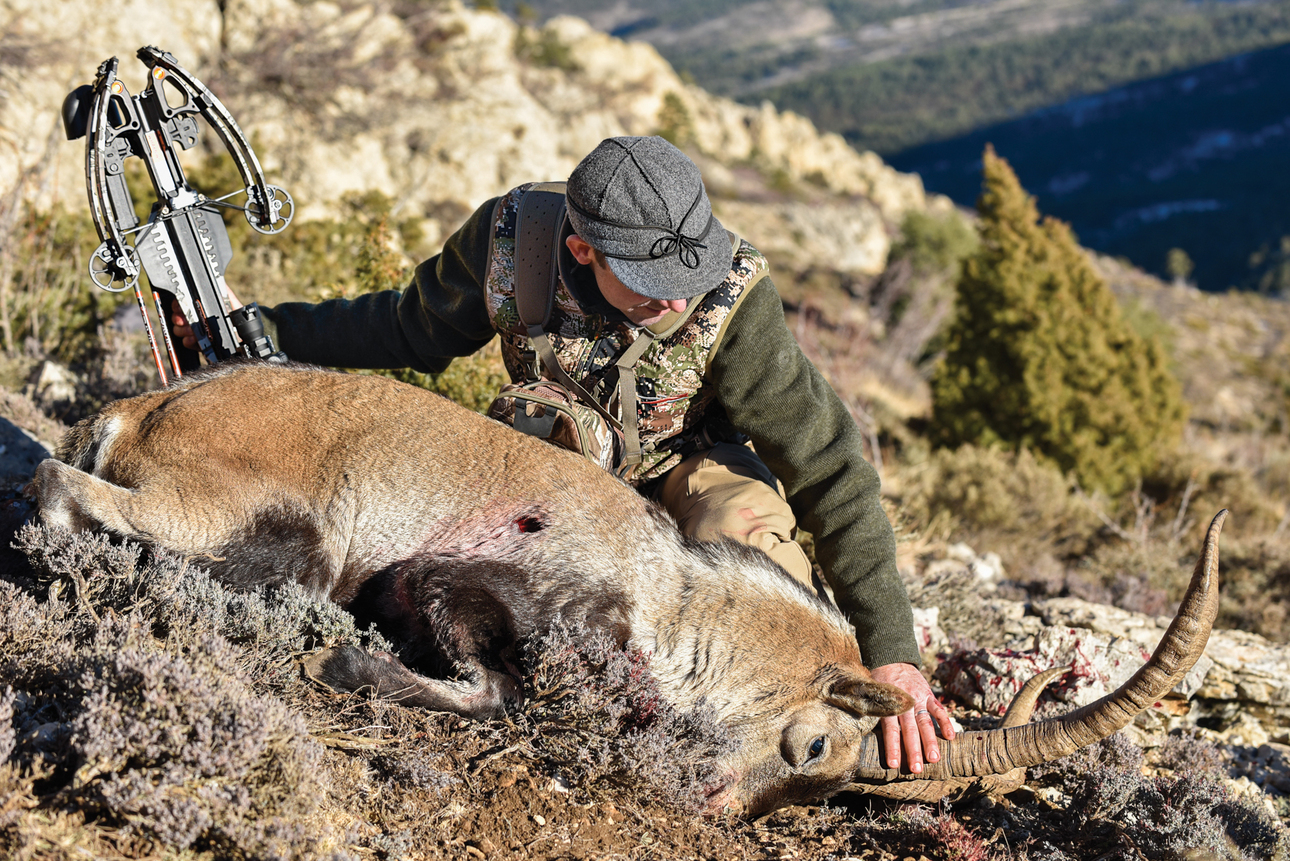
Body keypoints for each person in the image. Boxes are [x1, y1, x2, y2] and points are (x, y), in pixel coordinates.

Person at [174, 135, 954, 771]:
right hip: (553, 469)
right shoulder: (511, 244)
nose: (680, 300)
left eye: (692, 273)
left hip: (689, 466)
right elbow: (405, 329)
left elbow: (829, 466)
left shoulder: (734, 301)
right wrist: (266, 335)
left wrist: (891, 654)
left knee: (755, 554)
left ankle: (789, 747)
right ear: (581, 250)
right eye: (653, 282)